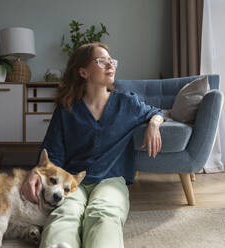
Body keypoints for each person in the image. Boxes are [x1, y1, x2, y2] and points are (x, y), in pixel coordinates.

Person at [20, 42, 164, 248]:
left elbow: (156, 112)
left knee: (104, 213)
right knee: (64, 214)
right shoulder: (67, 109)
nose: (110, 65)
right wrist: (37, 171)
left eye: (111, 61)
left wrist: (154, 124)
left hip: (111, 180)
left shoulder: (127, 103)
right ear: (83, 72)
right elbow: (53, 151)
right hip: (70, 179)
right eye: (101, 61)